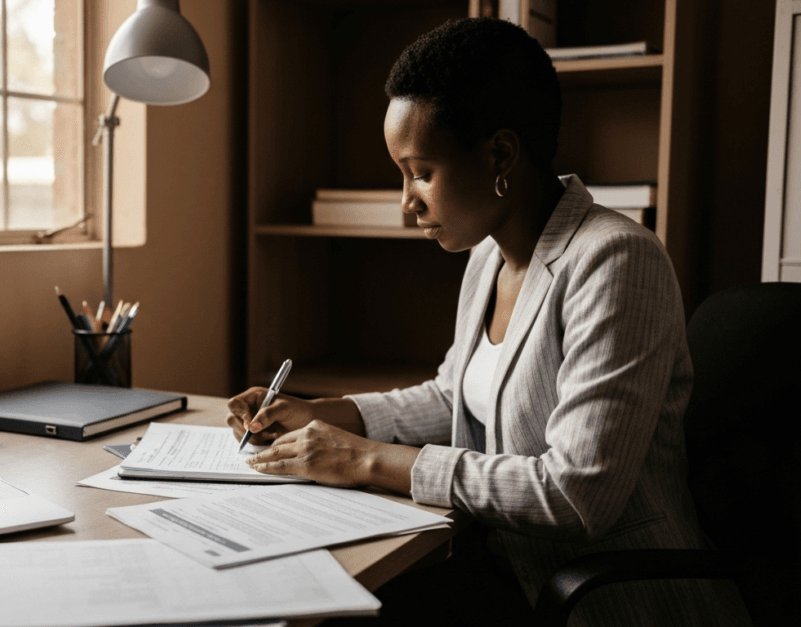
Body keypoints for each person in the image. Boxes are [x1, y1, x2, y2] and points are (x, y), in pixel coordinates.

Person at [226, 17, 750, 627]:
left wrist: (364, 459)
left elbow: (579, 495)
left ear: (501, 153)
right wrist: (328, 412)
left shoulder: (616, 260)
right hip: (505, 569)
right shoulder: (486, 254)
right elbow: (457, 395)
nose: (407, 201)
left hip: (609, 600)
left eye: (421, 172)